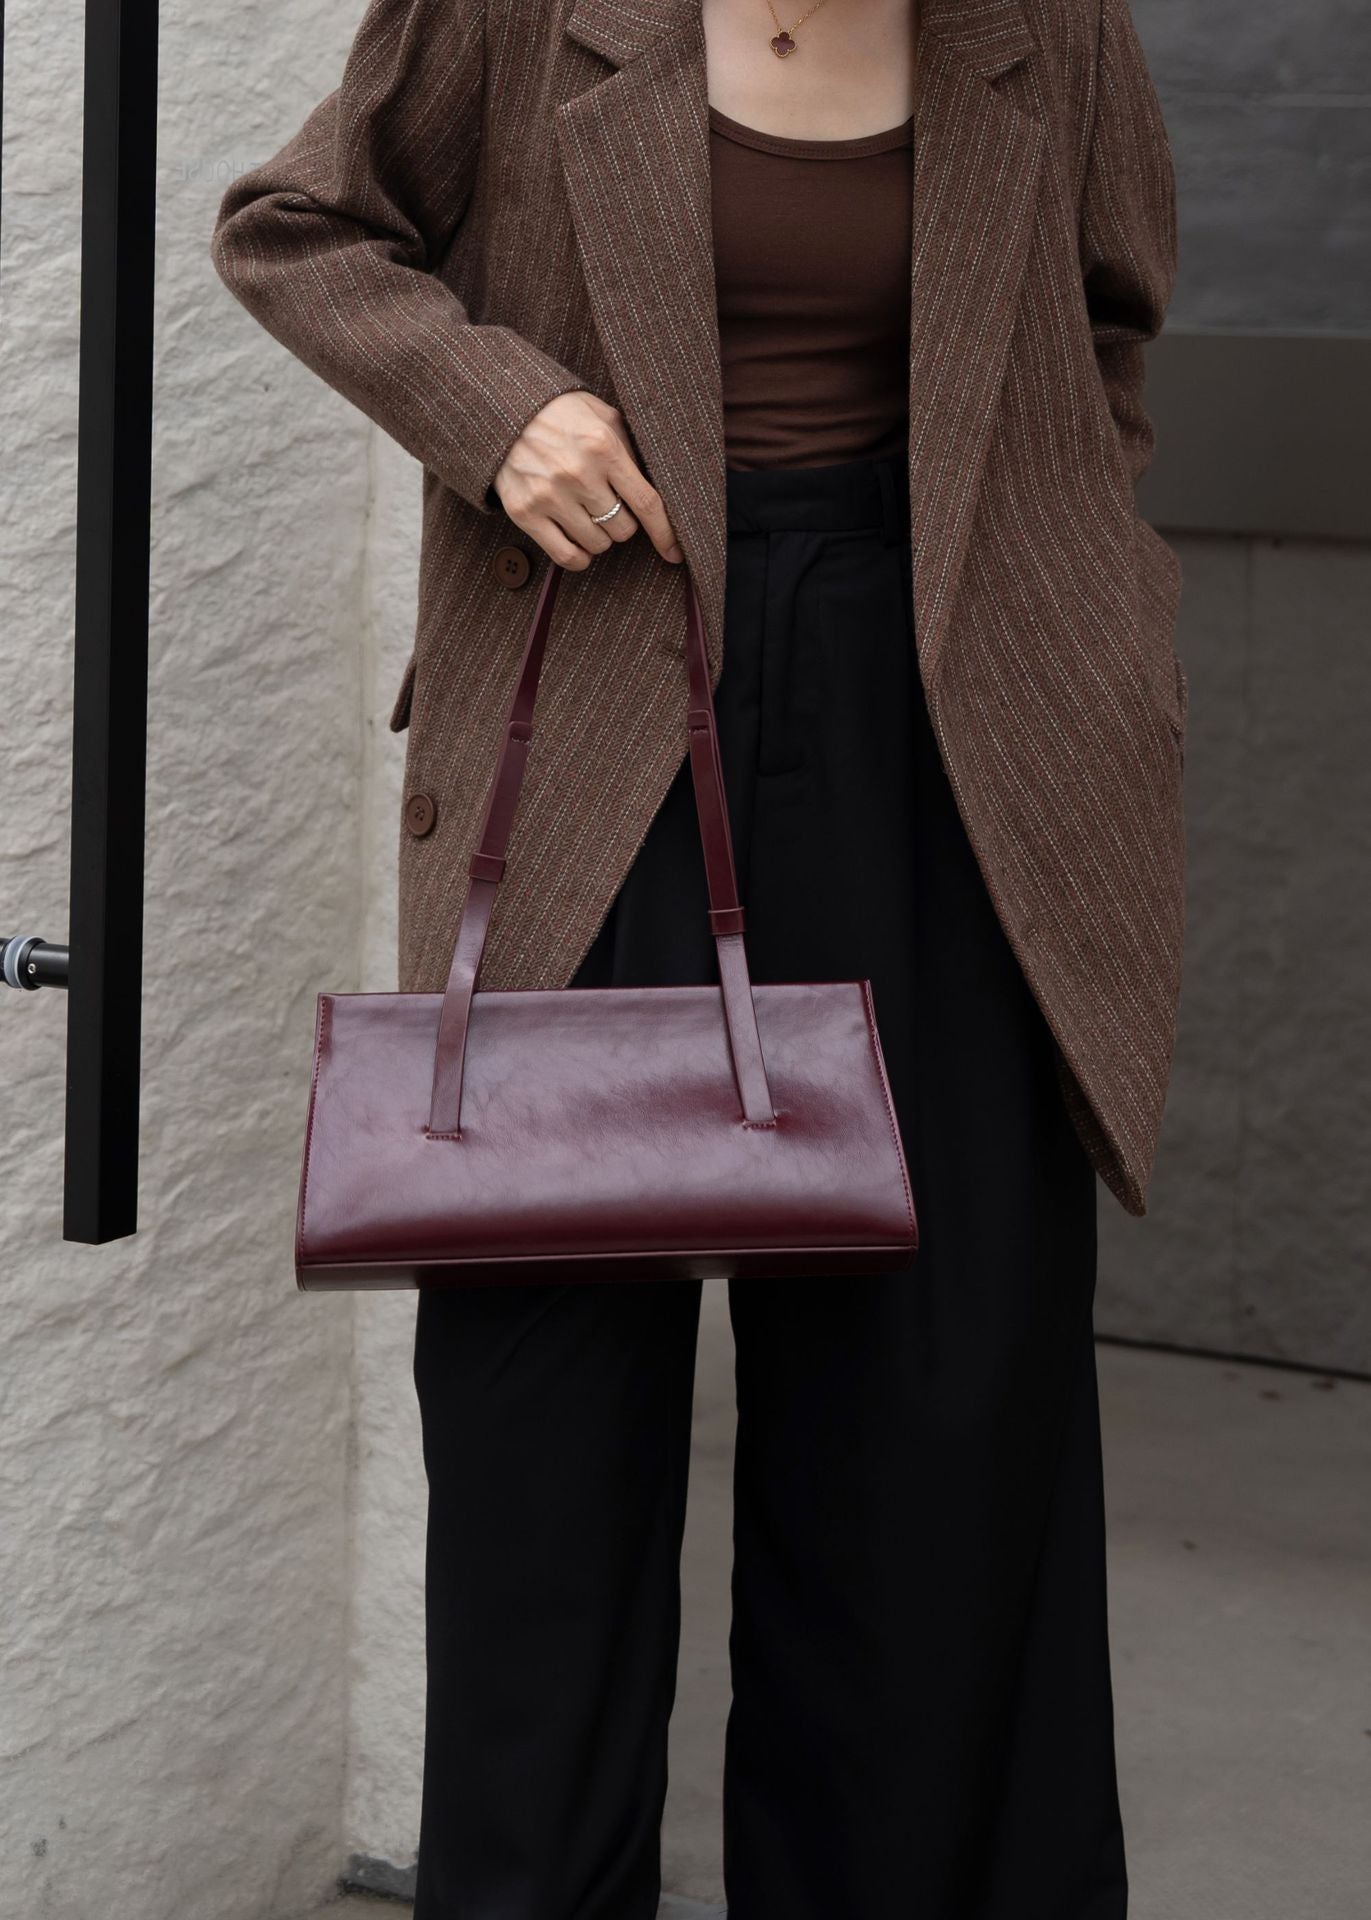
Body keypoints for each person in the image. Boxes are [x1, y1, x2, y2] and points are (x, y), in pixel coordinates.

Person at [211, 0, 1184, 1911]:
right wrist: (498, 412)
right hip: (603, 709)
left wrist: (1080, 605)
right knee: (545, 1438)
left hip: (951, 740)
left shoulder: (1041, 28)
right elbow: (297, 226)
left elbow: (1106, 321)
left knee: (937, 1415)